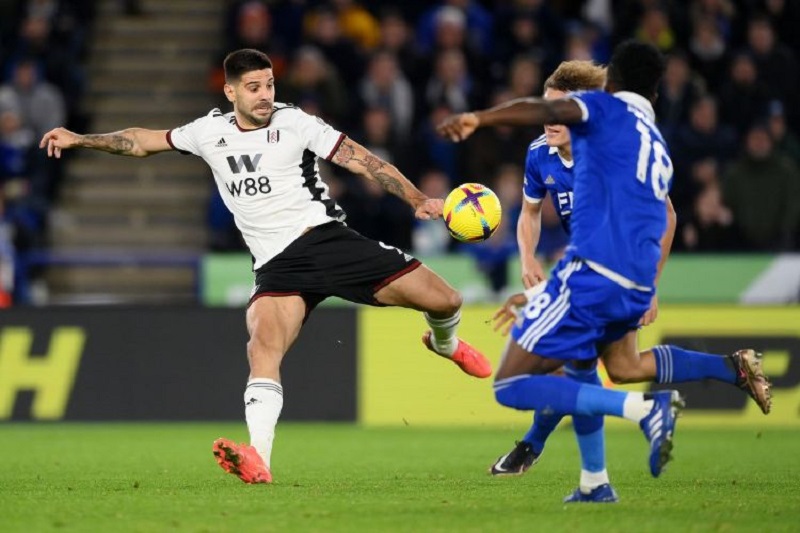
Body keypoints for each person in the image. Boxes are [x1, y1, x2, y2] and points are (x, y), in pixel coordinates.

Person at [39, 49, 493, 485]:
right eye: (253, 87)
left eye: (270, 84)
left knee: (446, 300)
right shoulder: (207, 132)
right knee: (262, 348)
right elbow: (141, 142)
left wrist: (415, 198)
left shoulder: (295, 122)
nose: (265, 94)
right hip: (277, 265)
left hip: (328, 241)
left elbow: (363, 160)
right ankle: (259, 457)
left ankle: (445, 343)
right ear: (230, 92)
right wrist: (80, 139)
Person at [437, 40, 771, 499]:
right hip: (618, 274)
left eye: (563, 110)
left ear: (599, 97)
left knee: (516, 382)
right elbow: (535, 212)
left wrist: (481, 118)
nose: (552, 119)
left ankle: (632, 414)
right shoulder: (644, 138)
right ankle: (597, 480)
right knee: (617, 363)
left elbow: (668, 215)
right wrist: (534, 262)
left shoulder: (605, 119)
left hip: (595, 273)